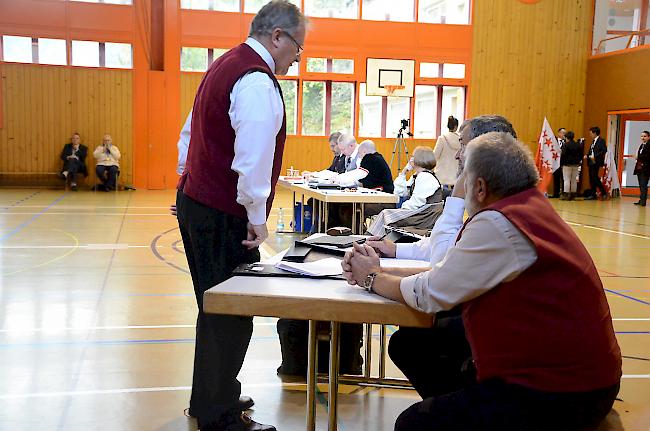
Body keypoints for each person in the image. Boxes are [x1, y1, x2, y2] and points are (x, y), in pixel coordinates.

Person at [343, 131, 622, 430]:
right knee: (413, 345)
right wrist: (375, 271)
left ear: (478, 186)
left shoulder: (498, 223)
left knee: (414, 423)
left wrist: (372, 277)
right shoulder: (527, 208)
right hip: (583, 379)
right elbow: (446, 275)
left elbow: (431, 293)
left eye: (463, 172)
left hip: (563, 392)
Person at [175, 1, 307, 430]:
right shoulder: (255, 79)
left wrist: (188, 177)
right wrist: (256, 216)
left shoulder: (224, 64)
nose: (298, 57)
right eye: (298, 47)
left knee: (212, 306)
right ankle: (220, 413)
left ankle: (210, 396)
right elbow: (252, 158)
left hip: (200, 201)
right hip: (223, 211)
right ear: (278, 37)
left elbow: (189, 132)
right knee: (231, 310)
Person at [367, 146, 442, 236]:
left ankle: (368, 239)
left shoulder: (425, 177)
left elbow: (416, 203)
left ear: (419, 159)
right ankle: (372, 240)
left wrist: (400, 209)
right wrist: (404, 172)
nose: (410, 159)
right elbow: (400, 192)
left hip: (423, 217)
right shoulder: (418, 175)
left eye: (413, 156)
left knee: (385, 214)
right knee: (386, 213)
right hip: (420, 214)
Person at [433, 115, 461, 190]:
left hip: (441, 177)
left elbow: (435, 156)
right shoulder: (461, 140)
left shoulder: (442, 138)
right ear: (456, 127)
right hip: (456, 177)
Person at [584, 126, 608, 200]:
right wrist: (587, 156)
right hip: (591, 161)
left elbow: (604, 150)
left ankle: (603, 192)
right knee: (591, 178)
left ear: (594, 133)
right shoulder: (593, 141)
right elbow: (592, 151)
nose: (590, 135)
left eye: (591, 133)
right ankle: (593, 194)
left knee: (595, 178)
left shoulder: (601, 140)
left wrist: (596, 156)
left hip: (596, 162)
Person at [560, 131, 583, 201]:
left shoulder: (566, 145)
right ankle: (573, 194)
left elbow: (563, 155)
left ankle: (566, 194)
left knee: (566, 179)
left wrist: (561, 164)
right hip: (576, 164)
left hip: (567, 164)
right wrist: (578, 161)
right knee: (573, 180)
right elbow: (581, 155)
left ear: (566, 137)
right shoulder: (578, 144)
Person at [633, 130, 650, 207]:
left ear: (648, 137)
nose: (643, 138)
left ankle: (643, 202)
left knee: (643, 185)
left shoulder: (649, 145)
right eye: (642, 136)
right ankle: (641, 200)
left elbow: (647, 156)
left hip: (646, 168)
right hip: (640, 168)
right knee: (641, 185)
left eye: (645, 136)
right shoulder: (642, 145)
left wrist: (638, 156)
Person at [551, 127, 566, 198]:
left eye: (565, 133)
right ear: (559, 133)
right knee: (556, 178)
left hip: (563, 163)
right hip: (555, 162)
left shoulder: (566, 142)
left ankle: (563, 193)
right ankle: (556, 193)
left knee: (563, 179)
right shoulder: (554, 141)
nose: (564, 135)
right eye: (563, 133)